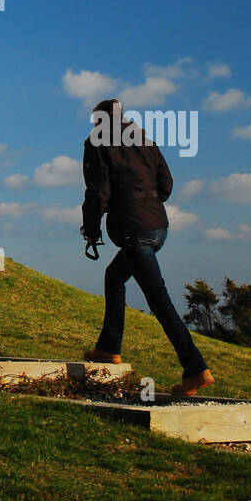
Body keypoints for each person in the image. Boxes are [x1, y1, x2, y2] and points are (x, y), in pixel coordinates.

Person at [80, 97, 214, 396]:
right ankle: (108, 347)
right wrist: (145, 204)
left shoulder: (97, 143)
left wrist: (91, 230)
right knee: (114, 277)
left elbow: (97, 191)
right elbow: (165, 185)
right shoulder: (146, 141)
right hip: (158, 228)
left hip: (132, 230)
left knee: (158, 297)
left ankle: (195, 368)